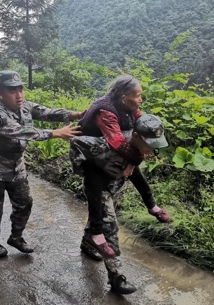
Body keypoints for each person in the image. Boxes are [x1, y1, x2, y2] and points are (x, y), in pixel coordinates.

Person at [0, 70, 85, 258]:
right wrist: (56, 133)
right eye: (12, 91)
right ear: (0, 93)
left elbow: (47, 113)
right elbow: (23, 132)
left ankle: (16, 237)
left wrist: (77, 114)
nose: (19, 95)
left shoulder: (24, 106)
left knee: (24, 202)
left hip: (16, 165)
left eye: (20, 89)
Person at [70, 114, 170, 294]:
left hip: (114, 184)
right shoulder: (108, 147)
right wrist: (81, 170)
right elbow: (78, 144)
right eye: (149, 144)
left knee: (100, 220)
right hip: (98, 188)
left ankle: (87, 244)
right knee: (109, 228)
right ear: (136, 136)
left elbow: (137, 176)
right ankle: (116, 277)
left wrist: (151, 205)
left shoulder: (135, 148)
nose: (151, 150)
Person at [76, 75, 171, 260]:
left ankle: (151, 205)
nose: (140, 99)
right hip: (92, 155)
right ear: (123, 97)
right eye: (137, 95)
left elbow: (141, 125)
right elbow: (117, 142)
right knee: (95, 187)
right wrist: (136, 158)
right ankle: (95, 233)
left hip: (113, 154)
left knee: (136, 174)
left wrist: (134, 161)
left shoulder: (131, 108)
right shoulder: (105, 111)